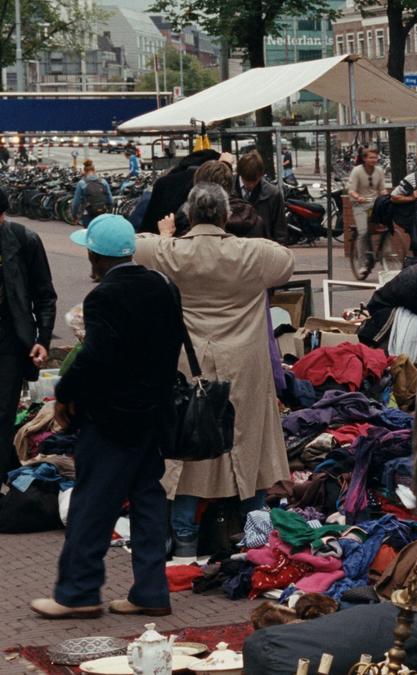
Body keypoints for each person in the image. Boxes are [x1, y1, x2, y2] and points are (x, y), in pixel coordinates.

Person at [30, 215, 182, 620]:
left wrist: (65, 392)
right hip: (153, 416)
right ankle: (151, 592)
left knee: (91, 504)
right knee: (149, 502)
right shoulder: (162, 286)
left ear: (97, 256)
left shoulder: (105, 298)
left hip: (113, 421)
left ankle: (78, 592)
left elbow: (97, 359)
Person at [134, 183, 295, 557]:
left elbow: (135, 246)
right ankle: (258, 545)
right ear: (225, 215)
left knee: (191, 452)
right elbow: (285, 260)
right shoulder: (251, 255)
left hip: (193, 369)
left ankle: (185, 542)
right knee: (251, 450)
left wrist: (167, 236)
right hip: (246, 370)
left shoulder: (170, 253)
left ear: (190, 214)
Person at [0, 189, 56, 476]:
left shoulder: (24, 241)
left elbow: (44, 295)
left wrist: (42, 340)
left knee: (3, 414)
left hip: (10, 341)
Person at [348, 148, 390, 278]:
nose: (373, 160)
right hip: (360, 205)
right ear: (365, 158)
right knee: (363, 232)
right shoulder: (357, 171)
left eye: (375, 157)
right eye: (371, 157)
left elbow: (382, 188)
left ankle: (385, 251)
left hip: (374, 203)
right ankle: (362, 264)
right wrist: (358, 197)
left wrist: (385, 195)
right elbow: (351, 190)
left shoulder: (379, 171)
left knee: (388, 225)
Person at [234, 150, 288, 245]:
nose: (250, 185)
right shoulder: (226, 189)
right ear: (240, 174)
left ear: (261, 176)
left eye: (254, 181)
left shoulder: (273, 194)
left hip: (263, 251)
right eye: (246, 181)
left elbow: (280, 231)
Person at [70, 159, 114, 227]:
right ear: (94, 170)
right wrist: (110, 211)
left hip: (88, 213)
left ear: (84, 171)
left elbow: (76, 203)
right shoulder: (103, 181)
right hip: (102, 212)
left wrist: (74, 216)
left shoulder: (81, 183)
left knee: (88, 233)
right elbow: (110, 199)